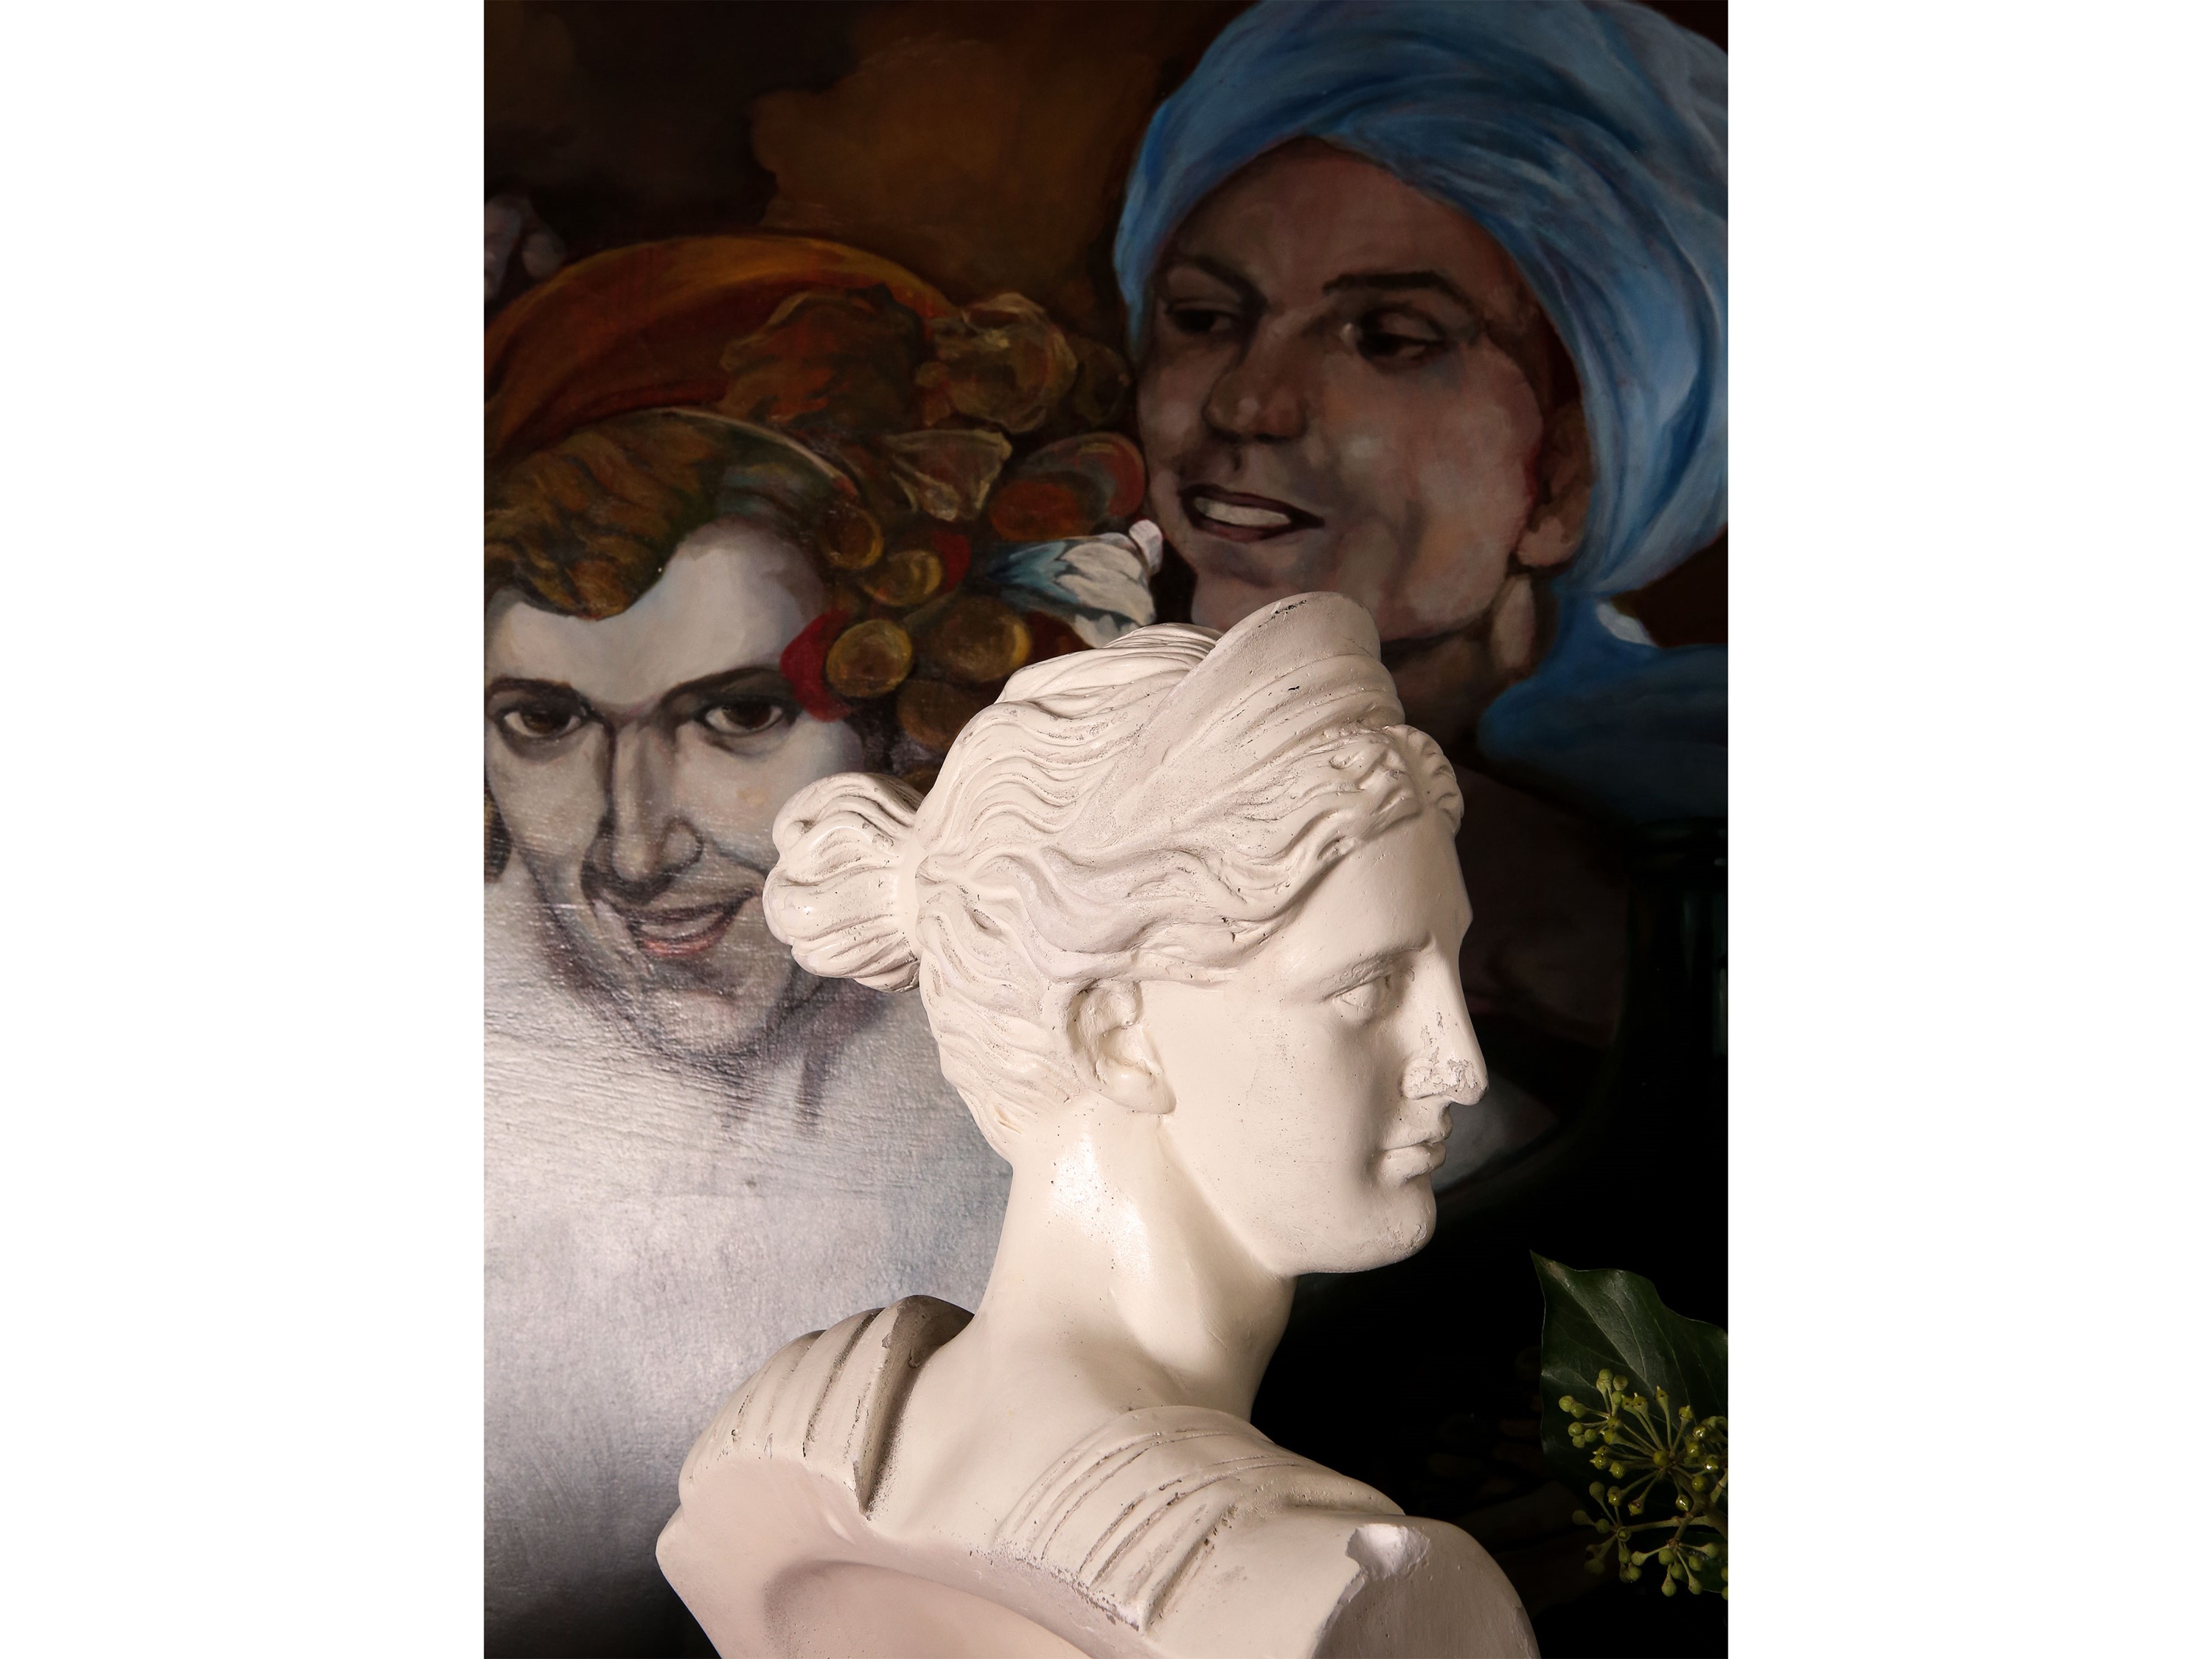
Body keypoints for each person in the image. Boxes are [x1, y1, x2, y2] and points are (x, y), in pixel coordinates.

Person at [481, 233, 1157, 1654]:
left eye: (737, 715)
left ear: (910, 705)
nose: (633, 847)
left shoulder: (1102, 1049)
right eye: (544, 721)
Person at [658, 594, 1534, 1658]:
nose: (1459, 1064)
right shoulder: (1360, 1602)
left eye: (1448, 969)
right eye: (1368, 985)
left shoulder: (766, 1450)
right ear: (1119, 1034)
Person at [1113, 0, 1727, 1057]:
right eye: (1205, 319)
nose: (1247, 404)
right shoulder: (1069, 740)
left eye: (1391, 339)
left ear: (1568, 471)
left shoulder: (1710, 828)